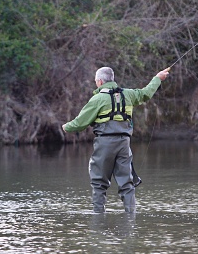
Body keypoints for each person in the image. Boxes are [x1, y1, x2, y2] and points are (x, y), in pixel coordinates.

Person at [62, 66, 170, 213]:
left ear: (100, 81)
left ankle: (98, 218)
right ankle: (131, 217)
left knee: (99, 182)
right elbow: (146, 93)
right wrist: (157, 78)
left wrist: (65, 127)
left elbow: (80, 123)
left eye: (95, 81)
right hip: (124, 144)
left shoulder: (98, 99)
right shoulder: (129, 94)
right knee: (127, 183)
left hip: (104, 144)